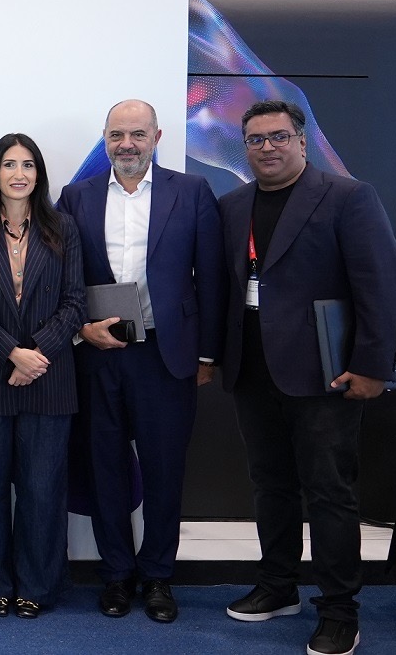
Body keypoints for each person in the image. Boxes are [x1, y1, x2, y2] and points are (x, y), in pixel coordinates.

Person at [219, 100, 396, 655]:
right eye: (256, 139)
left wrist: (373, 365)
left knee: (329, 492)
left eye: (278, 136)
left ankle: (340, 609)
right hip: (252, 369)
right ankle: (278, 586)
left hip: (327, 373)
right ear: (244, 148)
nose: (267, 147)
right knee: (269, 485)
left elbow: (380, 285)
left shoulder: (348, 196)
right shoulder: (232, 205)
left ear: (302, 140)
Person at [58, 99, 225, 624]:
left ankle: (157, 576)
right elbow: (61, 278)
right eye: (116, 135)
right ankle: (116, 574)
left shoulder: (191, 191)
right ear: (105, 139)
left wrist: (207, 354)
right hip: (99, 354)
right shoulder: (76, 196)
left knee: (163, 472)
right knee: (104, 469)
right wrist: (80, 329)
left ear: (156, 136)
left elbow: (212, 276)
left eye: (136, 134)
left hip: (165, 355)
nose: (126, 144)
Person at [0, 133, 86, 619]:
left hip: (49, 379)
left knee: (42, 489)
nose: (18, 173)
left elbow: (75, 303)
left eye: (28, 165)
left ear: (39, 174)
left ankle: (37, 584)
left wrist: (35, 355)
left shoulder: (63, 227)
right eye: (9, 164)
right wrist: (12, 353)